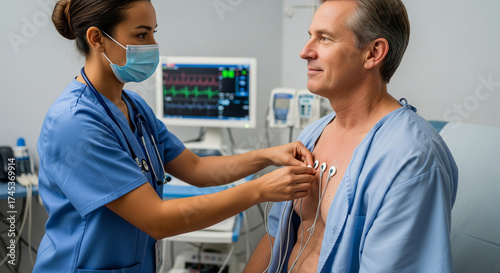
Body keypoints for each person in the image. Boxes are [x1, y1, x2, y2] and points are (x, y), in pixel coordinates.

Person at [33, 0, 317, 272]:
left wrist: (267, 156)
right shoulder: (74, 123)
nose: (153, 46)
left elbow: (197, 169)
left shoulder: (135, 107)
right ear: (97, 39)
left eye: (153, 34)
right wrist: (259, 190)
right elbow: (157, 220)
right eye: (141, 35)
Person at [244, 0, 458, 272]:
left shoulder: (411, 159)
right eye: (309, 37)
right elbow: (275, 234)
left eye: (325, 38)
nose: (305, 52)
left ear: (373, 53)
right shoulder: (313, 134)